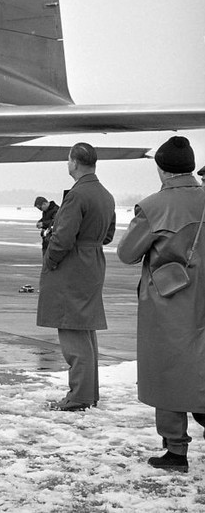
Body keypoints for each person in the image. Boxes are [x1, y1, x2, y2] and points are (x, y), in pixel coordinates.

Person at [117, 136, 205, 473]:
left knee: (168, 372)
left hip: (170, 303)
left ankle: (175, 450)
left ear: (162, 169)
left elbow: (126, 254)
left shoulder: (153, 206)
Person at [37, 142, 115, 412]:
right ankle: (87, 393)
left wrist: (51, 260)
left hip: (72, 268)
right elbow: (108, 236)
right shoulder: (105, 195)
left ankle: (79, 396)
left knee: (72, 332)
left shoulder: (78, 195)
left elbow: (63, 237)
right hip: (93, 264)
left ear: (75, 163)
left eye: (68, 160)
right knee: (85, 331)